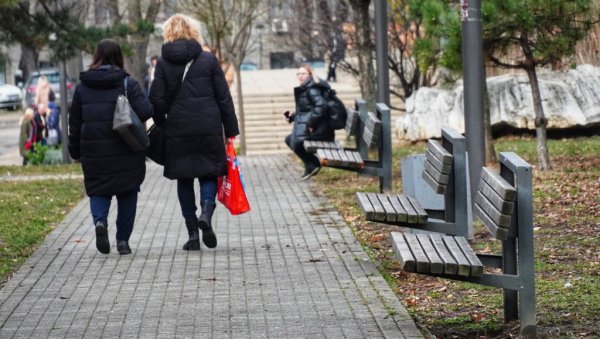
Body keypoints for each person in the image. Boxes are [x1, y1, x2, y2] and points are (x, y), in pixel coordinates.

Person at [149, 14, 239, 251]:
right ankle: (206, 214)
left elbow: (155, 99)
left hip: (178, 127)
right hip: (207, 126)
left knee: (184, 178)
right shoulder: (208, 60)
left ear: (168, 33)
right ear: (193, 32)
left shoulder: (163, 63)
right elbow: (223, 97)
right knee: (208, 173)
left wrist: (161, 122)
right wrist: (231, 129)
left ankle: (192, 235)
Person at [68, 39, 154, 255]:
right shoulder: (127, 83)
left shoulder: (82, 88)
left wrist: (75, 151)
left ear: (96, 56)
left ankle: (100, 222)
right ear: (119, 57)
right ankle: (123, 241)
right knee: (127, 192)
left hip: (94, 152)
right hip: (126, 149)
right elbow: (145, 112)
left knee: (98, 190)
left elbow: (75, 123)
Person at [284, 64, 334, 180]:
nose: (300, 76)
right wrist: (292, 117)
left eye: (303, 73)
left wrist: (312, 124)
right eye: (299, 74)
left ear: (310, 75)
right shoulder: (307, 88)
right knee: (290, 139)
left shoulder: (312, 89)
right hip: (315, 127)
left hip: (320, 129)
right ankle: (311, 164)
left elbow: (321, 106)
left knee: (295, 141)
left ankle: (313, 164)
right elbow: (306, 110)